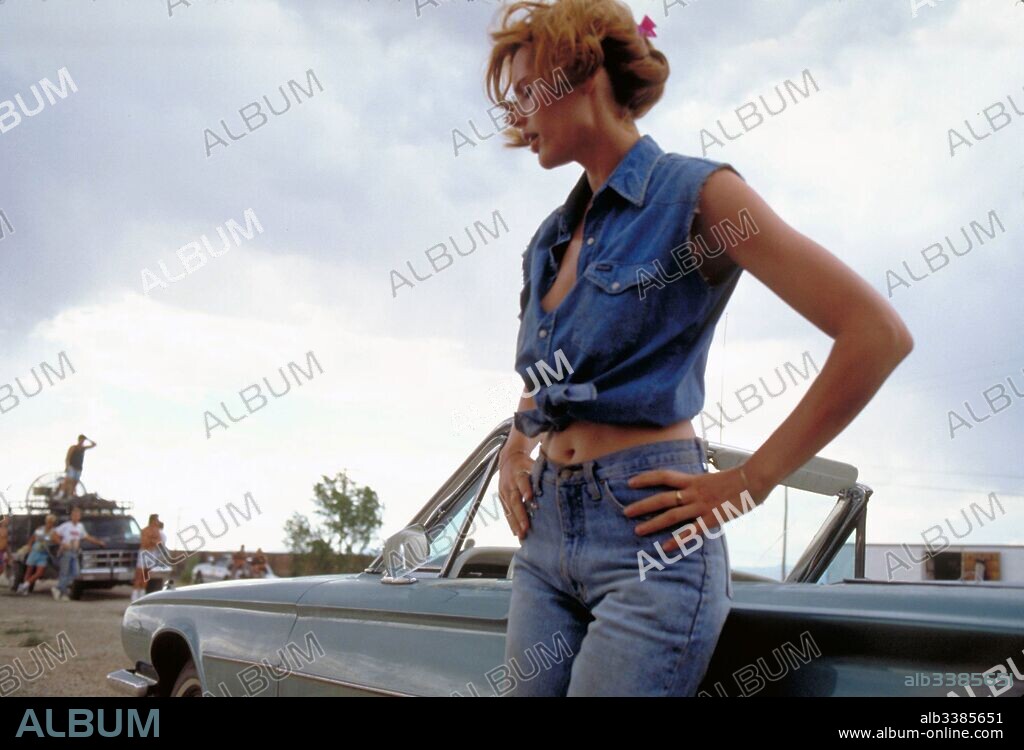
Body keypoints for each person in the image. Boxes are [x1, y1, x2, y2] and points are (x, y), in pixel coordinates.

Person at [487, 0, 913, 696]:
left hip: (648, 535)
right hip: (543, 543)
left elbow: (876, 334)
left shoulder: (699, 195)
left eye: (529, 92)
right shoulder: (550, 239)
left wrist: (750, 481)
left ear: (585, 76)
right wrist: (515, 443)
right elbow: (548, 376)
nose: (515, 117)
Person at [52, 506, 106, 601]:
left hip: (75, 552)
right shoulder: (66, 526)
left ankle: (59, 588)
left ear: (80, 517)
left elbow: (86, 537)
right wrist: (62, 543)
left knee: (75, 572)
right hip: (66, 551)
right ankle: (62, 592)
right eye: (74, 515)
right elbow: (55, 535)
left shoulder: (80, 526)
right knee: (64, 572)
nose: (76, 517)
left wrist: (99, 542)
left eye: (77, 515)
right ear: (71, 516)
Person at [18, 515, 60, 595]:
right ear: (46, 521)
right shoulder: (40, 529)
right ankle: (25, 588)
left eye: (51, 522)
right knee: (29, 571)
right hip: (35, 552)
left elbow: (56, 541)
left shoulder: (54, 532)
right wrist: (29, 546)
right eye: (49, 521)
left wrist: (55, 541)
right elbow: (33, 538)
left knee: (39, 572)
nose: (50, 523)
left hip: (44, 554)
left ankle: (25, 585)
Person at [131, 514, 167, 602]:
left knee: (146, 575)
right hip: (144, 553)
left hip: (152, 554)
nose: (158, 522)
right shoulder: (145, 530)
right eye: (156, 520)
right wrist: (152, 541)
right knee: (139, 575)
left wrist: (153, 541)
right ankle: (134, 596)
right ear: (152, 521)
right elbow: (145, 543)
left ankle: (142, 595)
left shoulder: (158, 532)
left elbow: (159, 542)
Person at [60, 434, 97, 500]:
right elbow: (67, 458)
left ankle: (70, 495)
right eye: (81, 440)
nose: (82, 442)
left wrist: (88, 439)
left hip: (79, 468)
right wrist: (67, 467)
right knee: (68, 481)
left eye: (83, 440)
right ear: (79, 440)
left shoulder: (83, 448)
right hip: (72, 467)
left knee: (75, 482)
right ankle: (61, 494)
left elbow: (94, 444)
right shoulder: (73, 447)